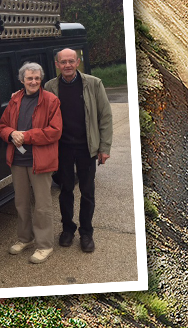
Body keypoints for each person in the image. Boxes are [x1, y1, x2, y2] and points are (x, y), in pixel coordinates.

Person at [44, 48, 113, 253]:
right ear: (57, 64)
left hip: (86, 148)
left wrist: (104, 147)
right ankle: (67, 229)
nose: (67, 65)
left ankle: (86, 233)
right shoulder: (49, 87)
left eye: (71, 61)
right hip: (62, 148)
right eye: (63, 62)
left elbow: (105, 117)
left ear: (78, 62)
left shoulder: (93, 84)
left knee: (87, 191)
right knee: (65, 190)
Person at [0, 62, 62, 264]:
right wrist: (11, 133)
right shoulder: (15, 99)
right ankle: (25, 239)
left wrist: (26, 136)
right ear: (22, 80)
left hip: (40, 162)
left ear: (41, 79)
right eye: (29, 78)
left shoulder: (51, 101)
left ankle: (45, 245)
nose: (33, 81)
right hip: (17, 161)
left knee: (42, 206)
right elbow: (2, 126)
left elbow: (55, 131)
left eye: (36, 78)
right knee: (21, 203)